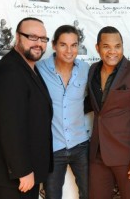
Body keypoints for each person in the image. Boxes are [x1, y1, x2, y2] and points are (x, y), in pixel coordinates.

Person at [85, 26, 130, 199]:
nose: (112, 52)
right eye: (106, 46)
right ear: (97, 48)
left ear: (123, 47)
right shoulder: (92, 70)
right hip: (97, 155)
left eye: (117, 46)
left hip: (128, 156)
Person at [0, 17, 53, 199]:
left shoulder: (27, 67)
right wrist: (22, 170)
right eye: (32, 37)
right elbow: (9, 125)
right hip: (12, 179)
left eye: (43, 39)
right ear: (18, 38)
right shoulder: (10, 72)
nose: (39, 43)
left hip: (23, 175)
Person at [37, 25, 90, 199]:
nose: (69, 51)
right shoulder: (39, 69)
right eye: (63, 45)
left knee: (90, 193)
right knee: (52, 196)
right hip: (53, 147)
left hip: (80, 144)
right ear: (53, 45)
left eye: (74, 45)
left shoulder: (86, 70)